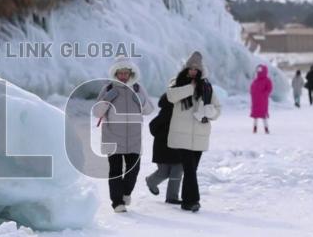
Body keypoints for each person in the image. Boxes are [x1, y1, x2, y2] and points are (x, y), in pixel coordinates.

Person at [94, 56, 154, 212]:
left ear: (130, 73)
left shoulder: (138, 89)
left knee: (133, 170)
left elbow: (149, 110)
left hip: (133, 139)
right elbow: (97, 112)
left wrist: (140, 98)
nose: (123, 76)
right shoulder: (108, 89)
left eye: (125, 73)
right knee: (115, 171)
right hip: (112, 137)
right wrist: (108, 99)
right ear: (115, 73)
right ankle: (117, 203)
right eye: (120, 73)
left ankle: (126, 192)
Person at [166, 51, 220, 212]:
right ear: (186, 68)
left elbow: (218, 110)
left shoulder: (207, 87)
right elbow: (171, 97)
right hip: (181, 136)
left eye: (197, 69)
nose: (193, 72)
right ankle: (192, 201)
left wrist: (209, 111)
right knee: (189, 169)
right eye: (191, 68)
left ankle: (186, 200)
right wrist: (190, 88)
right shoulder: (176, 82)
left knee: (191, 170)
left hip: (200, 135)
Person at [145, 93, 183, 205]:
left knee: (177, 170)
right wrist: (163, 136)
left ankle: (172, 197)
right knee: (164, 172)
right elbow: (153, 126)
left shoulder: (182, 112)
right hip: (163, 147)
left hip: (177, 146)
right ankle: (151, 181)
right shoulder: (167, 111)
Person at [250, 64, 273, 133]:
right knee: (255, 116)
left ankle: (266, 128)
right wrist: (253, 94)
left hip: (263, 100)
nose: (259, 71)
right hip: (256, 100)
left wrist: (265, 94)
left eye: (260, 70)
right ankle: (255, 128)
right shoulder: (256, 80)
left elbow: (269, 88)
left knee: (264, 115)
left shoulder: (267, 80)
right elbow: (252, 88)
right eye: (258, 70)